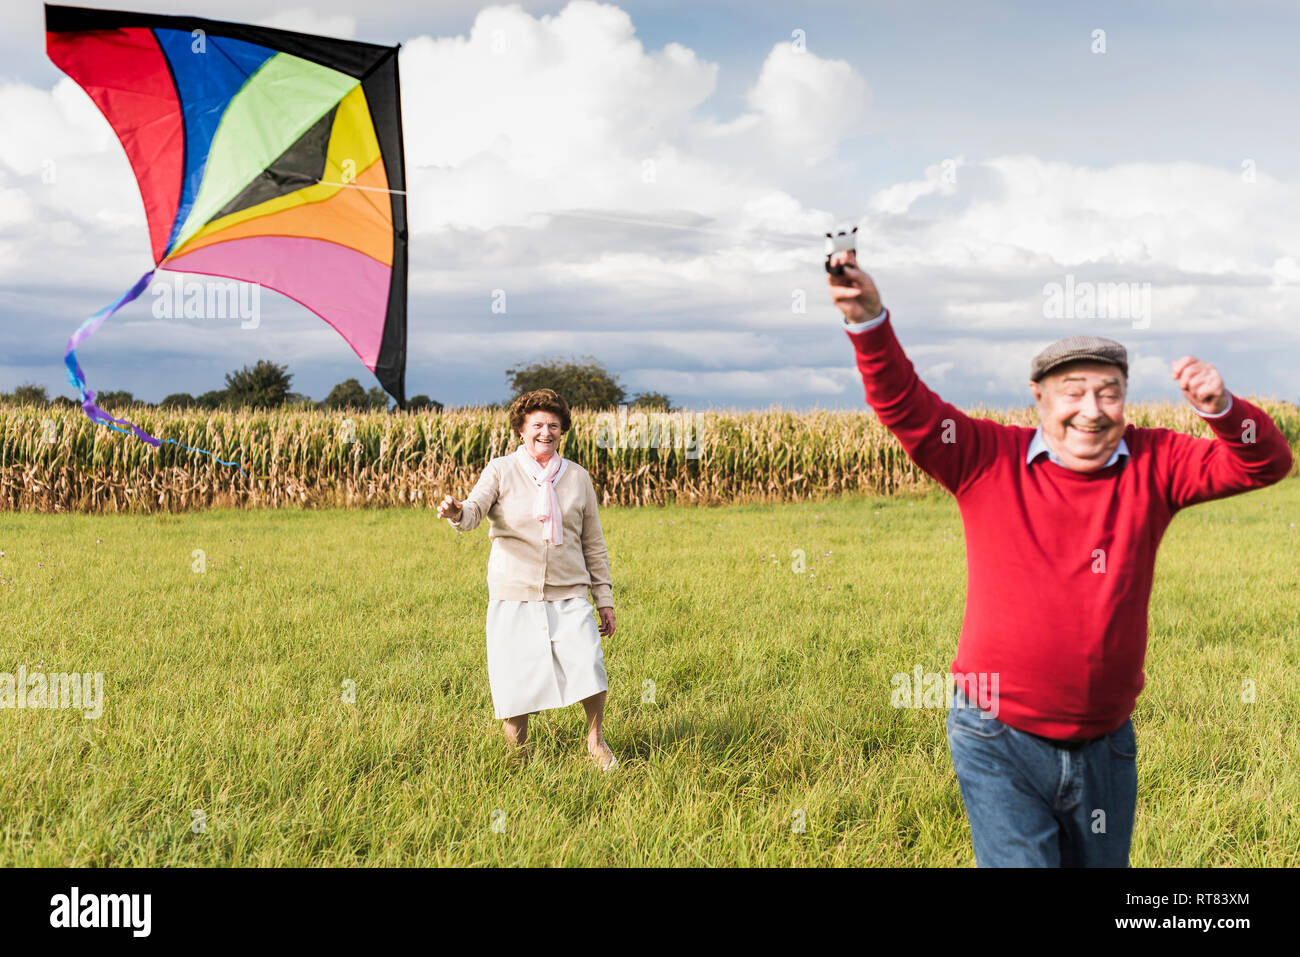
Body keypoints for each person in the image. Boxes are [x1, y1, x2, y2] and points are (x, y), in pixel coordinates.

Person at [827, 247, 1293, 866]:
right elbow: (903, 406)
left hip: (1105, 743)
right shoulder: (983, 458)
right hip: (997, 736)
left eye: (1110, 393)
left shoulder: (1156, 464)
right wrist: (869, 322)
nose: (1092, 411)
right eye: (1073, 393)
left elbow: (1266, 463)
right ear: (1039, 400)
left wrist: (1221, 409)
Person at [437, 388, 618, 770]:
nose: (545, 432)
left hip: (569, 593)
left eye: (553, 425)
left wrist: (604, 599)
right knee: (515, 682)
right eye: (537, 424)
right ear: (521, 430)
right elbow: (473, 511)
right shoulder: (500, 470)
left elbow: (593, 543)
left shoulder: (578, 479)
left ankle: (596, 741)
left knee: (590, 665)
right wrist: (456, 512)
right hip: (513, 594)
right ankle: (517, 760)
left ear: (562, 431)